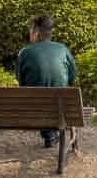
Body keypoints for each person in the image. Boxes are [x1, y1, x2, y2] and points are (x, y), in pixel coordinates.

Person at [15, 14, 77, 148]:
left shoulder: (24, 52)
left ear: (36, 33)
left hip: (35, 107)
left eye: (30, 31)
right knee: (54, 97)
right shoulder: (63, 49)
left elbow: (21, 81)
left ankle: (49, 135)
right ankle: (51, 134)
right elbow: (72, 77)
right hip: (60, 107)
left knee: (37, 99)